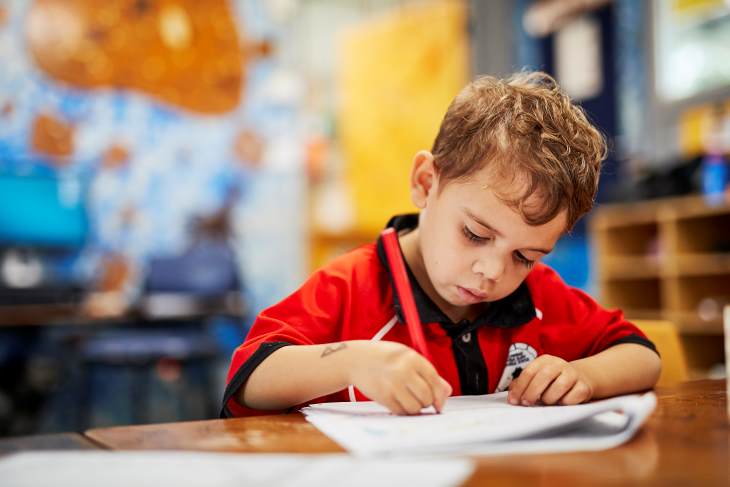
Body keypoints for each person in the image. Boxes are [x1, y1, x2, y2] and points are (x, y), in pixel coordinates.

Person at [221, 72, 661, 417]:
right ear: (426, 183)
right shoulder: (351, 284)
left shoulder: (539, 295)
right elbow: (249, 378)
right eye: (475, 234)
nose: (493, 271)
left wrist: (584, 375)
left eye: (524, 256)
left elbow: (641, 356)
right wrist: (350, 361)